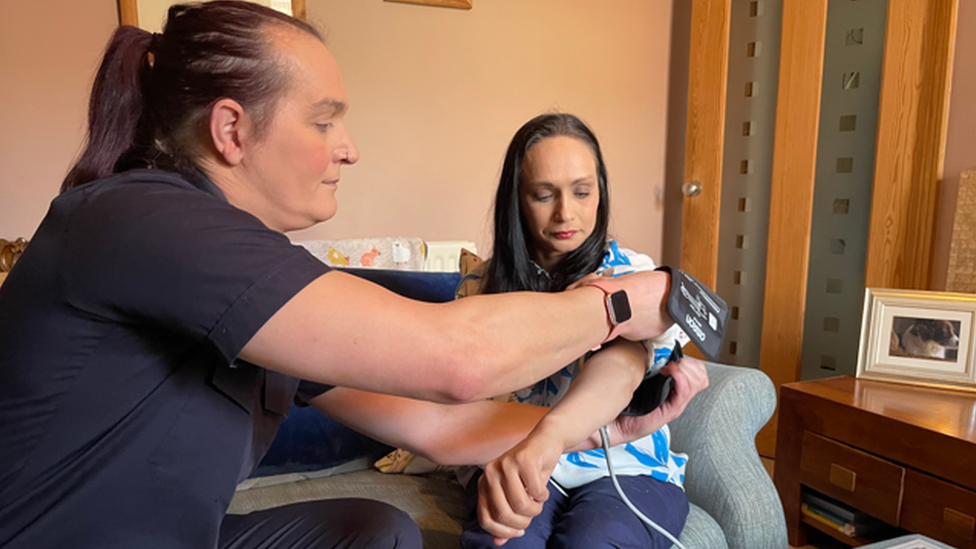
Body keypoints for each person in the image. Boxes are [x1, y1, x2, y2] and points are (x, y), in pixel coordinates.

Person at [0, 3, 682, 549]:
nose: (348, 149)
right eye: (326, 121)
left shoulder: (258, 279)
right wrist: (629, 300)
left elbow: (442, 427)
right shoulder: (142, 217)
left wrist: (601, 429)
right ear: (231, 131)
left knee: (375, 527)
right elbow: (459, 359)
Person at [457, 113, 709, 548]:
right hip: (518, 461)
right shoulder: (479, 289)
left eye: (581, 192)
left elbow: (623, 365)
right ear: (516, 199)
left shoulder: (630, 275)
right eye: (543, 195)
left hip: (626, 469)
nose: (565, 213)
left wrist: (552, 436)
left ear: (600, 195)